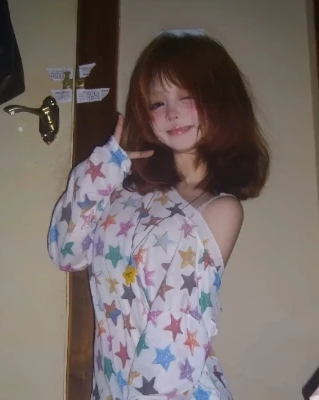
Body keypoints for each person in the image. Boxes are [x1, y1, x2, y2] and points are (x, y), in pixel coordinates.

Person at [48, 33, 270, 400]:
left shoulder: (219, 210)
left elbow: (174, 333)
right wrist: (105, 167)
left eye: (188, 97)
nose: (172, 112)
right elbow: (67, 252)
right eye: (157, 102)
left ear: (221, 101)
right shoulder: (123, 193)